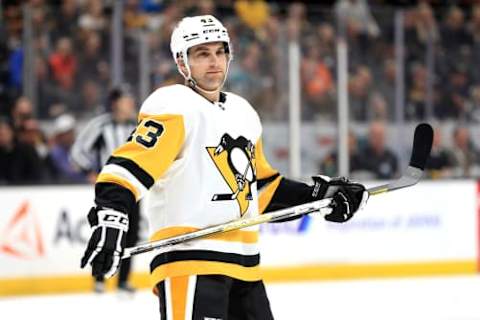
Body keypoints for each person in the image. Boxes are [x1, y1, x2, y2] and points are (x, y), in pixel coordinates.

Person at [80, 15, 369, 319]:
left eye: (220, 52)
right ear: (182, 62)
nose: (214, 62)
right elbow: (127, 167)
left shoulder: (242, 112)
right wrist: (112, 218)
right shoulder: (173, 106)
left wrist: (321, 196)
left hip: (245, 267)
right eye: (202, 54)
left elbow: (258, 188)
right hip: (190, 262)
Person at [71, 86, 139, 293]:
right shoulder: (101, 126)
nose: (131, 104)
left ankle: (123, 280)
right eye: (127, 100)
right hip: (109, 190)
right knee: (105, 230)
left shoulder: (139, 125)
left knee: (131, 234)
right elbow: (78, 151)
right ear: (115, 103)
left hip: (134, 188)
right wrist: (89, 172)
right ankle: (99, 277)